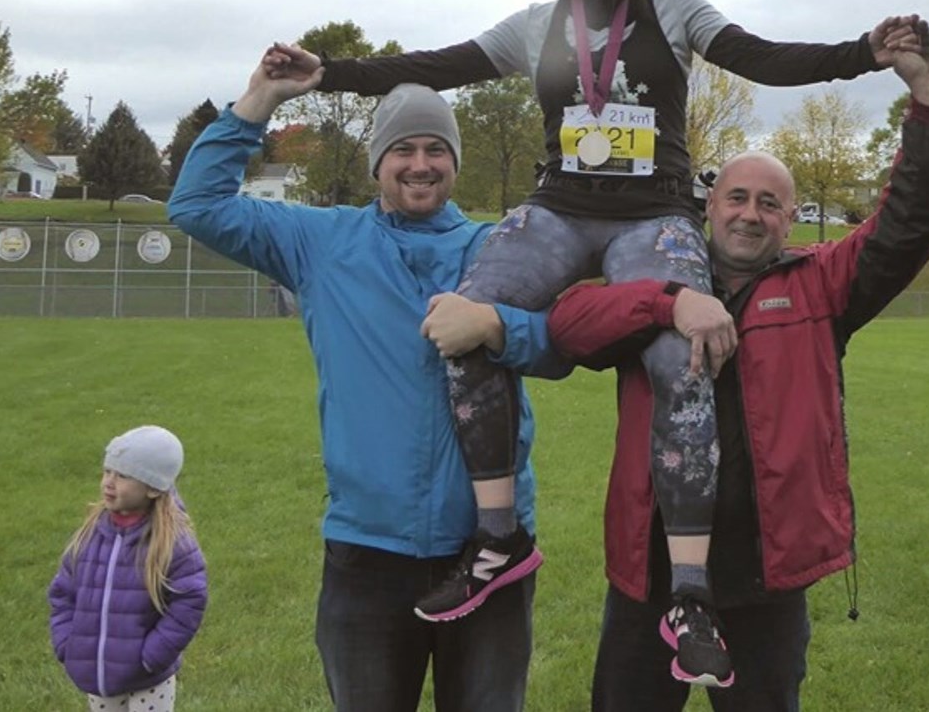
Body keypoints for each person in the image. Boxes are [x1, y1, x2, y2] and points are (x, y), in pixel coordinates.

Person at [289, 0, 927, 687]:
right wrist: (327, 72)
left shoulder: (674, 9)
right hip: (560, 210)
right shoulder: (536, 26)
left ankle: (689, 593)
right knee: (462, 321)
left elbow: (760, 57)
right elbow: (434, 65)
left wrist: (863, 55)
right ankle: (498, 538)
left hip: (651, 217)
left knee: (682, 359)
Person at [544, 26, 929, 710]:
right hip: (654, 571)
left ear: (790, 219)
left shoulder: (821, 286)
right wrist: (669, 304)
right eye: (736, 198)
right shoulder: (655, 274)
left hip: (765, 578)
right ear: (709, 206)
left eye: (769, 203)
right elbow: (567, 323)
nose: (749, 215)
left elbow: (909, 227)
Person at [168, 62, 560, 711]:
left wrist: (497, 327)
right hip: (368, 552)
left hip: (490, 552)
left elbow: (563, 341)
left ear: (454, 161)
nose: (420, 164)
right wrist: (261, 99)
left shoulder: (494, 247)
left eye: (436, 149)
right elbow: (197, 205)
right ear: (378, 162)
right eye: (403, 149)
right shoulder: (320, 242)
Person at [49, 425, 208, 711]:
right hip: (96, 674)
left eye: (122, 475)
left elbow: (189, 601)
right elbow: (62, 592)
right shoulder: (90, 534)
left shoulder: (172, 542)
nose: (108, 482)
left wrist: (152, 657)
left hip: (148, 677)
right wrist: (66, 643)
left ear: (153, 488)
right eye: (107, 471)